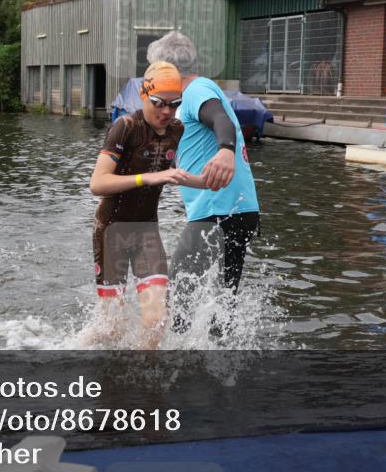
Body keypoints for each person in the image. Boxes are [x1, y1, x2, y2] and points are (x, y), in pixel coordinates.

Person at [146, 31, 261, 334]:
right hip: (241, 209)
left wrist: (225, 151)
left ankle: (168, 359)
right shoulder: (189, 98)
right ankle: (218, 359)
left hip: (216, 209)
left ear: (168, 70)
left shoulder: (196, 89)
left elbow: (221, 119)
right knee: (223, 307)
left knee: (175, 300)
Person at [87, 62, 204, 349]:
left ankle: (141, 374)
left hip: (146, 231)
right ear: (143, 95)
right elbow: (97, 183)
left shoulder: (177, 130)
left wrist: (206, 181)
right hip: (112, 230)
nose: (166, 111)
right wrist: (148, 178)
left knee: (157, 322)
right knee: (110, 328)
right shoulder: (125, 127)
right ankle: (71, 353)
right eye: (158, 103)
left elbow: (172, 173)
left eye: (174, 104)